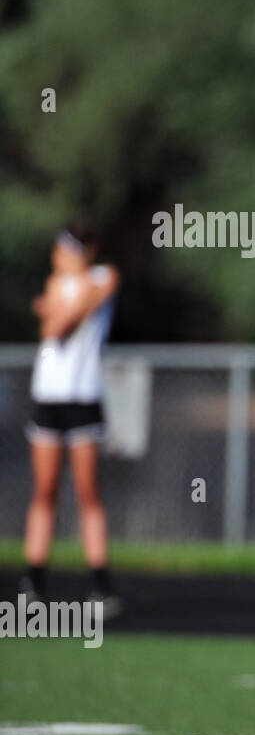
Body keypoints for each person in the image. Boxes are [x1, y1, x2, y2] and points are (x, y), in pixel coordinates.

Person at [19, 224, 120, 615]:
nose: (65, 255)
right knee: (44, 491)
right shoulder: (58, 282)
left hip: (83, 398)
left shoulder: (102, 276)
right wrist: (55, 302)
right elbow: (49, 320)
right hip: (48, 397)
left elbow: (57, 322)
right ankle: (33, 580)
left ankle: (101, 584)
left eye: (74, 249)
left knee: (87, 492)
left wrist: (56, 301)